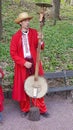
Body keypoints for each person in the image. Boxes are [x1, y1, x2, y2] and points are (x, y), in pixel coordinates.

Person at [10, 12, 49, 118]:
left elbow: (39, 47)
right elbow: (13, 53)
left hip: (34, 63)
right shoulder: (15, 37)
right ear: (20, 23)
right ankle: (25, 108)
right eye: (25, 21)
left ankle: (41, 109)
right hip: (22, 66)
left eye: (28, 20)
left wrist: (41, 41)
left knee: (37, 84)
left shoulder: (34, 32)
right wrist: (23, 62)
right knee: (24, 86)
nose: (27, 22)